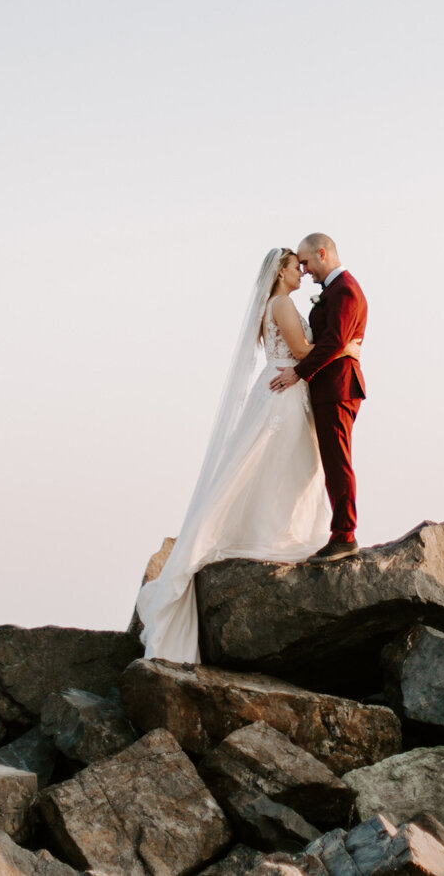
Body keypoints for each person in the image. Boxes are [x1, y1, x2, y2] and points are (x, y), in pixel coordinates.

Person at [134, 245, 365, 662]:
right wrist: (345, 348)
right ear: (281, 271)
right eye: (297, 266)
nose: (303, 272)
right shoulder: (281, 303)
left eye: (305, 264)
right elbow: (299, 352)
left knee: (279, 467)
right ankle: (274, 533)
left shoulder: (277, 303)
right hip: (285, 393)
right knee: (282, 467)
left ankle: (275, 528)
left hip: (282, 391)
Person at [269, 234, 368, 560]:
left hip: (338, 388)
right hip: (327, 388)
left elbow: (334, 342)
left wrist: (298, 372)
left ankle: (344, 535)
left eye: (307, 262)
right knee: (328, 461)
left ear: (322, 254)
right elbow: (335, 342)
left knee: (337, 461)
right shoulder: (335, 291)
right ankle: (336, 531)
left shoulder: (346, 291)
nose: (306, 270)